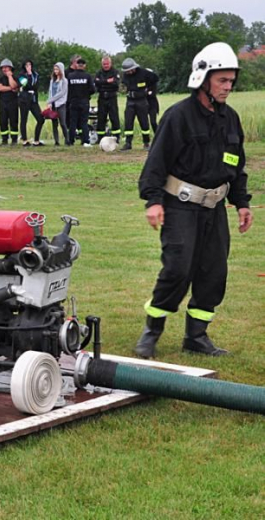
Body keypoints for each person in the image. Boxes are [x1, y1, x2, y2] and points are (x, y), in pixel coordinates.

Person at [135, 42, 253, 359]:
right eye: (222, 81)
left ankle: (196, 336)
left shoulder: (231, 120)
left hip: (215, 209)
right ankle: (152, 331)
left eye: (231, 81)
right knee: (177, 268)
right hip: (179, 206)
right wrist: (154, 201)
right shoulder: (178, 117)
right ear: (203, 79)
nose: (228, 87)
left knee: (213, 272)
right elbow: (156, 164)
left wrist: (242, 203)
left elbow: (236, 166)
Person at [120, 58, 151, 151]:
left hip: (141, 101)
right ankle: (128, 143)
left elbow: (154, 80)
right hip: (130, 101)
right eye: (126, 71)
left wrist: (148, 90)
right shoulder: (125, 76)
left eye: (129, 70)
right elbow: (122, 86)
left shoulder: (143, 73)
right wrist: (123, 89)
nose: (128, 72)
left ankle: (146, 143)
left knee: (144, 123)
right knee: (128, 122)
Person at [66, 58, 95, 147]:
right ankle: (85, 140)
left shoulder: (70, 76)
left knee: (73, 122)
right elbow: (93, 89)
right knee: (84, 122)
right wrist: (86, 95)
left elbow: (67, 89)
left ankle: (71, 141)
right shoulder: (87, 76)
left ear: (77, 65)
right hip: (84, 102)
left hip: (73, 102)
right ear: (84, 66)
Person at [94, 56, 122, 142]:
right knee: (101, 118)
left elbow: (115, 84)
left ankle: (116, 137)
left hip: (112, 97)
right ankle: (100, 138)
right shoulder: (99, 72)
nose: (105, 65)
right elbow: (96, 82)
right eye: (104, 64)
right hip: (102, 97)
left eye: (107, 64)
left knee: (114, 117)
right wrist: (107, 81)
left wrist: (102, 82)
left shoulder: (115, 72)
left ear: (111, 63)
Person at [17, 60, 45, 146]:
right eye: (26, 65)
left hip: (33, 100)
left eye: (30, 64)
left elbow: (36, 86)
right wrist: (28, 75)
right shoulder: (21, 75)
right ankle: (24, 140)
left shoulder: (35, 75)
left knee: (40, 119)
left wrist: (31, 85)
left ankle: (36, 140)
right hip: (24, 100)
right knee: (24, 119)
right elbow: (26, 85)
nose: (28, 66)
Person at [0, 59, 19, 146]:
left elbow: (15, 86)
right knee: (3, 120)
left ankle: (14, 140)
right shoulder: (0, 79)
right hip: (2, 102)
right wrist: (11, 88)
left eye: (6, 67)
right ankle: (4, 140)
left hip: (13, 102)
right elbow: (0, 88)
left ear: (10, 68)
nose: (4, 69)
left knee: (14, 120)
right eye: (3, 68)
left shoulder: (16, 78)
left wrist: (10, 77)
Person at [45, 62, 69, 146]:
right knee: (54, 123)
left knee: (62, 123)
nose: (55, 71)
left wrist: (51, 100)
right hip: (53, 105)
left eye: (57, 69)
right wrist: (50, 102)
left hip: (61, 104)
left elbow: (62, 93)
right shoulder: (52, 81)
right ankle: (56, 141)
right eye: (54, 69)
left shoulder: (64, 81)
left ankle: (67, 140)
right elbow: (50, 92)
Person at [146, 68, 161, 134]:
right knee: (145, 123)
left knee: (153, 122)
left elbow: (152, 94)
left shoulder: (153, 84)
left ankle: (158, 134)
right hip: (144, 104)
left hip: (152, 104)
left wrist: (146, 92)